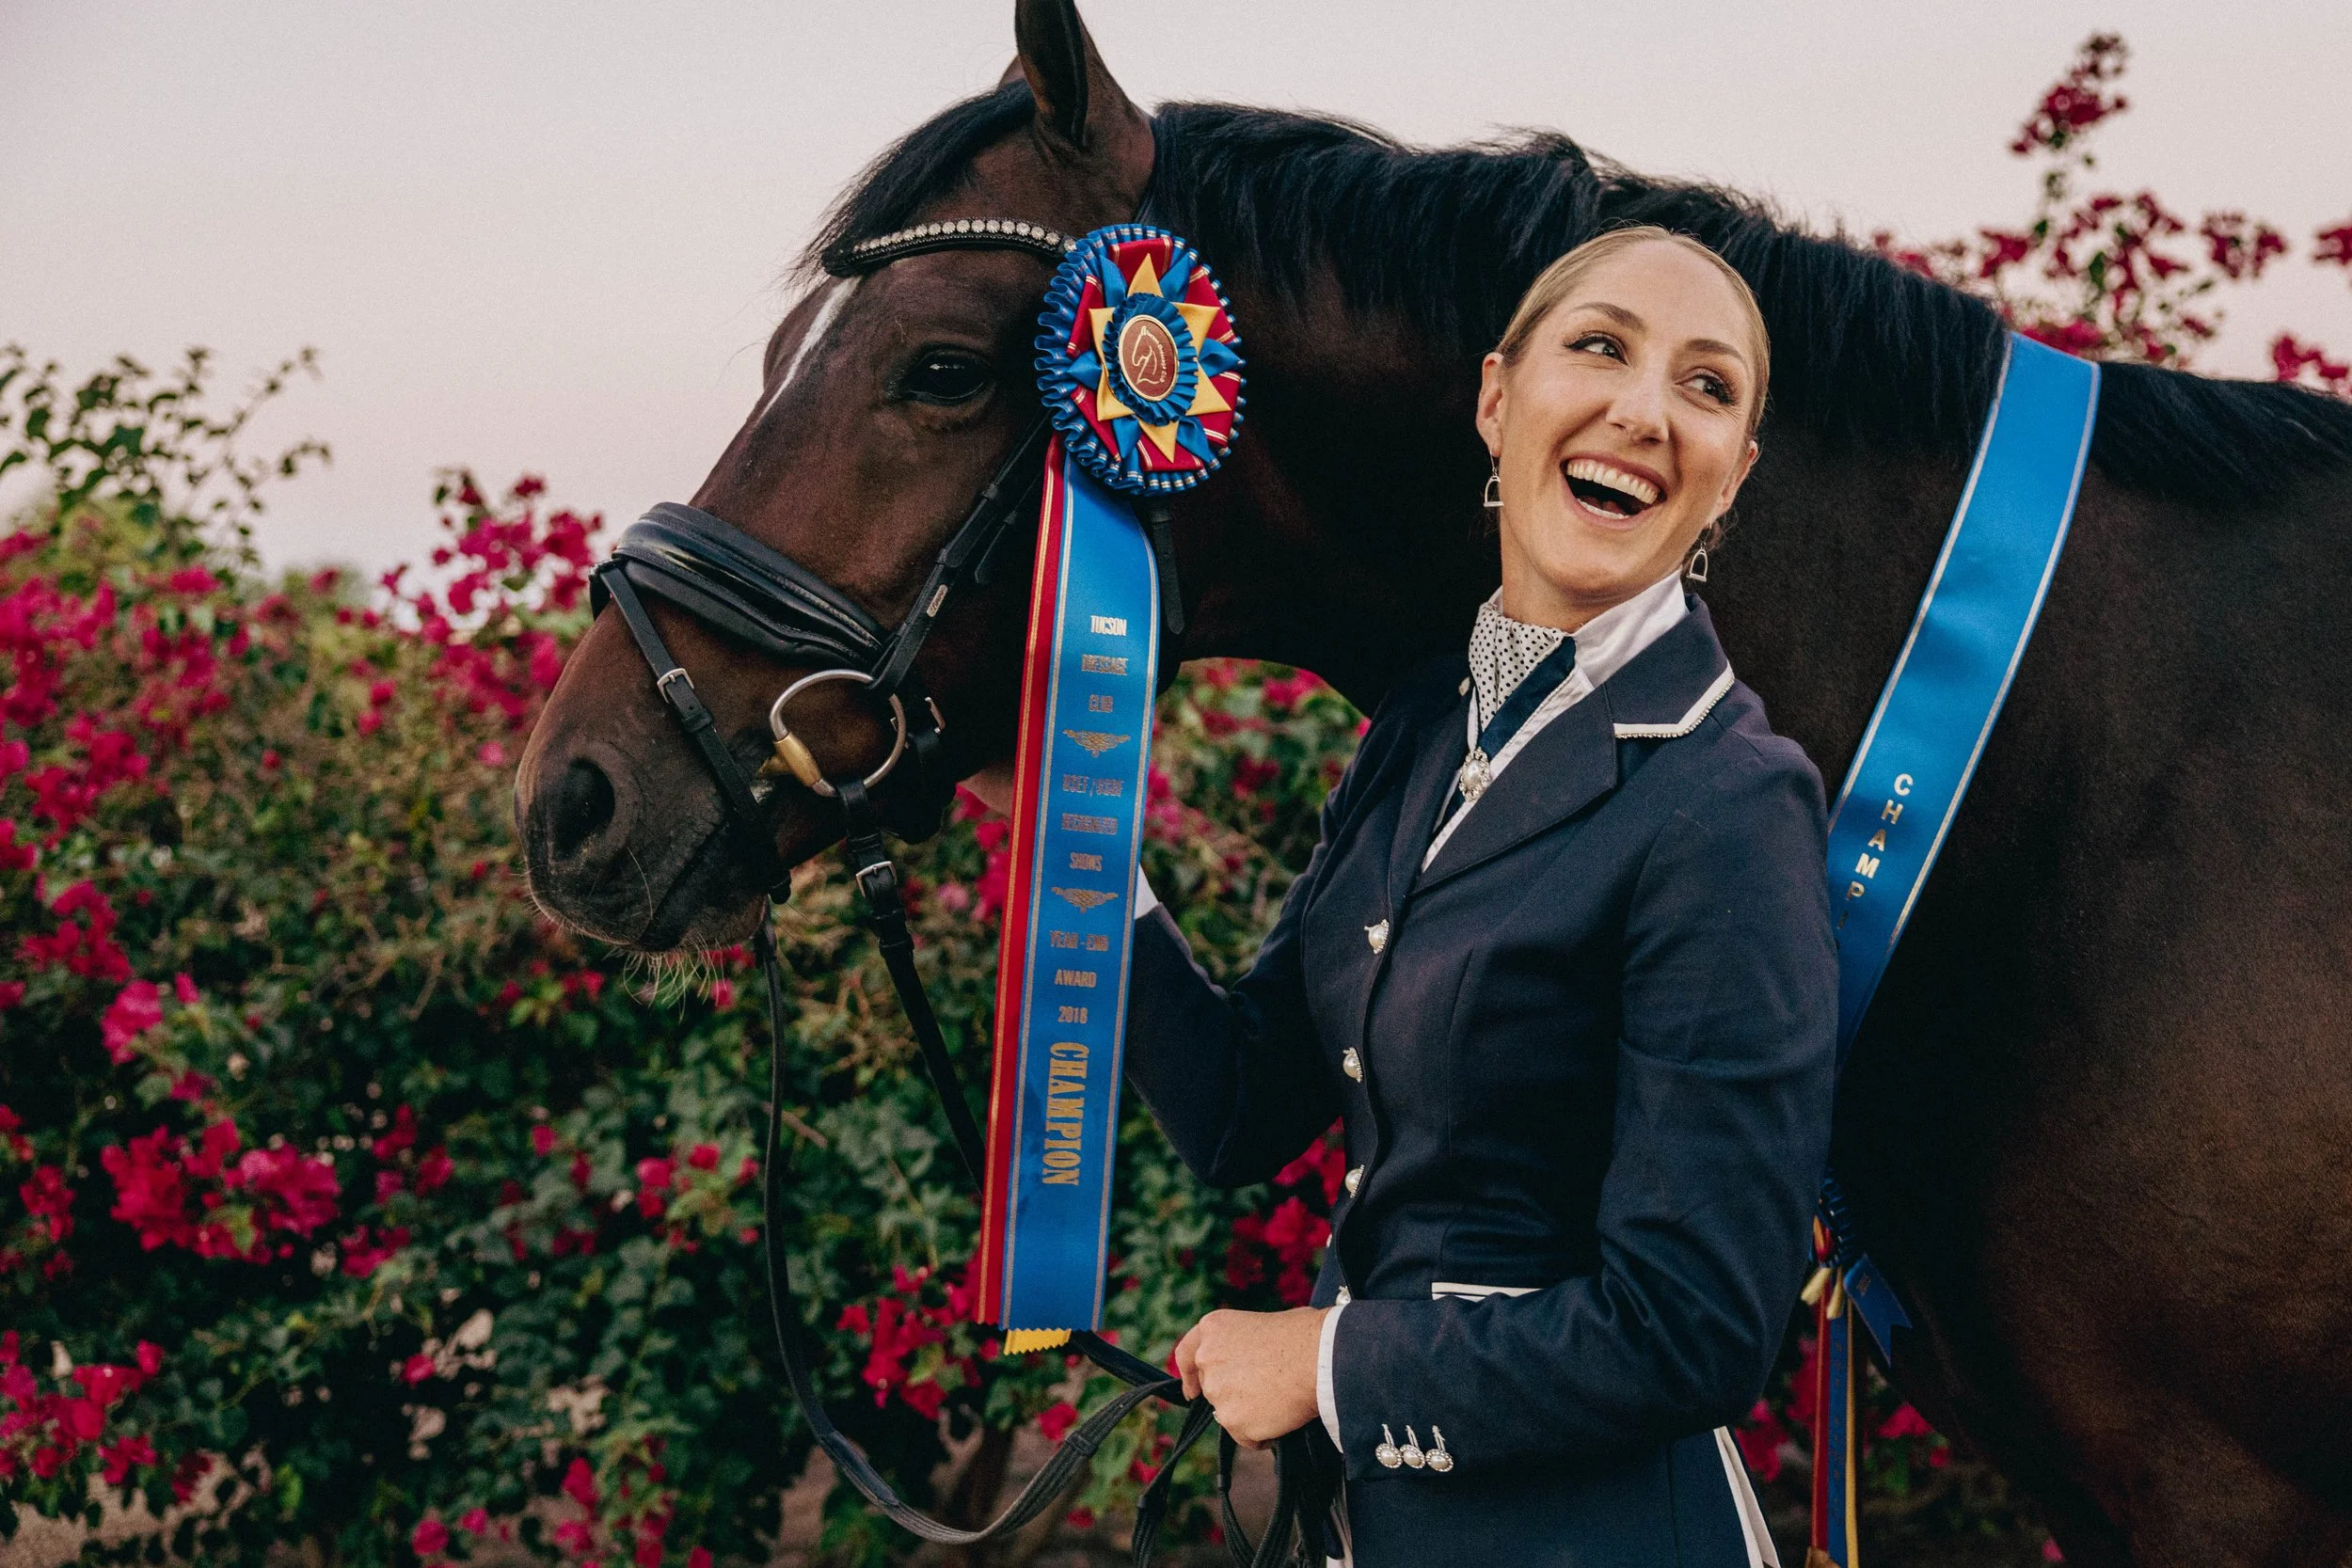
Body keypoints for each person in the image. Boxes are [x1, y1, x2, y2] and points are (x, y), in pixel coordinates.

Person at [1121, 226, 1838, 1566]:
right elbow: (1240, 1102)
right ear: (1498, 399)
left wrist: (1333, 1364)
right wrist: (1079, 861)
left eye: (1706, 384)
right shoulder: (1423, 722)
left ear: (1731, 476)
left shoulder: (1729, 802)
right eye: (1603, 346)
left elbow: (1693, 1325)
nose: (1644, 407)